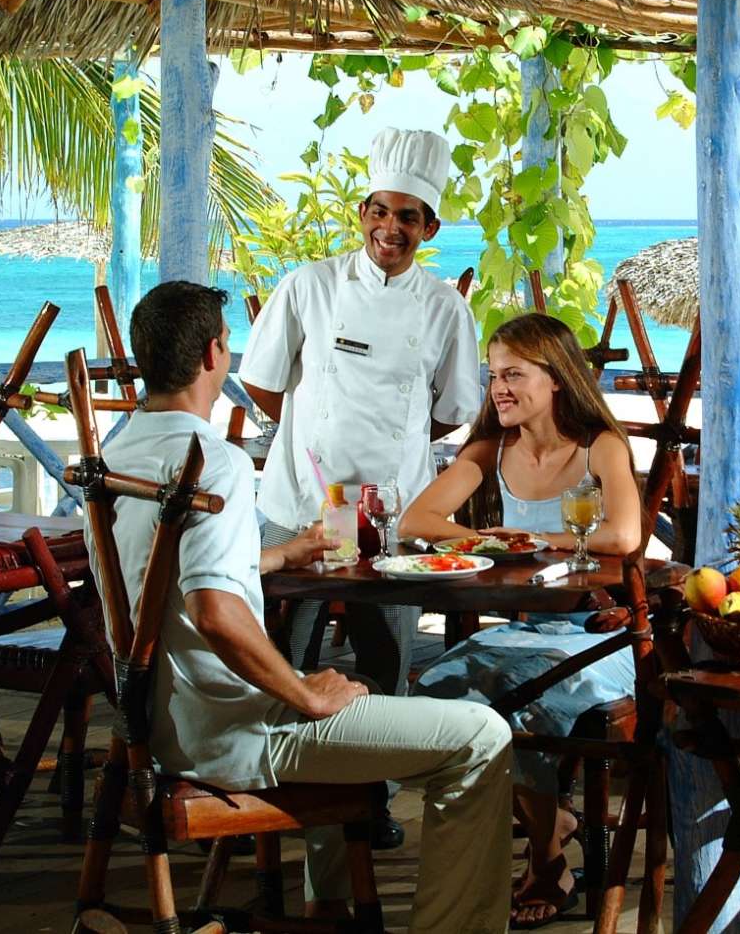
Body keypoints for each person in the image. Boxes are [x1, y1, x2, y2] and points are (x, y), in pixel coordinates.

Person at [90, 279, 512, 932]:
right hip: (235, 732)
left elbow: (157, 575)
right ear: (214, 353)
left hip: (153, 724)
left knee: (359, 684)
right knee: (483, 734)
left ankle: (328, 903)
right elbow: (213, 612)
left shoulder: (118, 453)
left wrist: (274, 558)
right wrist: (302, 695)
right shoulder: (215, 462)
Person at [399, 313, 642, 929]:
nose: (498, 388)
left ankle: (545, 857)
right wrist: (487, 541)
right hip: (525, 632)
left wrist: (532, 539)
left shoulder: (599, 446)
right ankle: (550, 822)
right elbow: (416, 523)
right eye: (493, 375)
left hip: (601, 636)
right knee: (433, 690)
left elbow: (624, 533)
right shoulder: (490, 450)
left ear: (556, 378)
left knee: (515, 696)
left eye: (513, 374)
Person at [241, 126, 481, 700]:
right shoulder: (309, 286)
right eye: (380, 211)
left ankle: (380, 774)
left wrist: (401, 454)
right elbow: (261, 380)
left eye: (408, 216)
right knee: (279, 656)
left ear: (430, 228)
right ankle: (279, 775)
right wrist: (307, 431)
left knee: (387, 658)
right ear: (362, 213)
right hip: (303, 496)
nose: (390, 228)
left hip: (394, 507)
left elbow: (453, 408)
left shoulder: (446, 308)